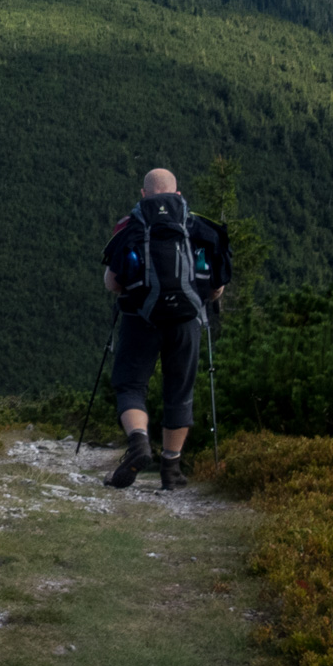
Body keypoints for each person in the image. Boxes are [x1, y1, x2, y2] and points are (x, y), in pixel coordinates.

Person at [99, 168, 231, 491]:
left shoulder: (128, 227)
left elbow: (112, 283)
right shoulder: (198, 226)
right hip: (186, 321)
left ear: (143, 195)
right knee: (180, 391)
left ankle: (139, 442)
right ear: (178, 195)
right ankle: (171, 470)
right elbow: (216, 286)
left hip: (139, 318)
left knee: (130, 384)